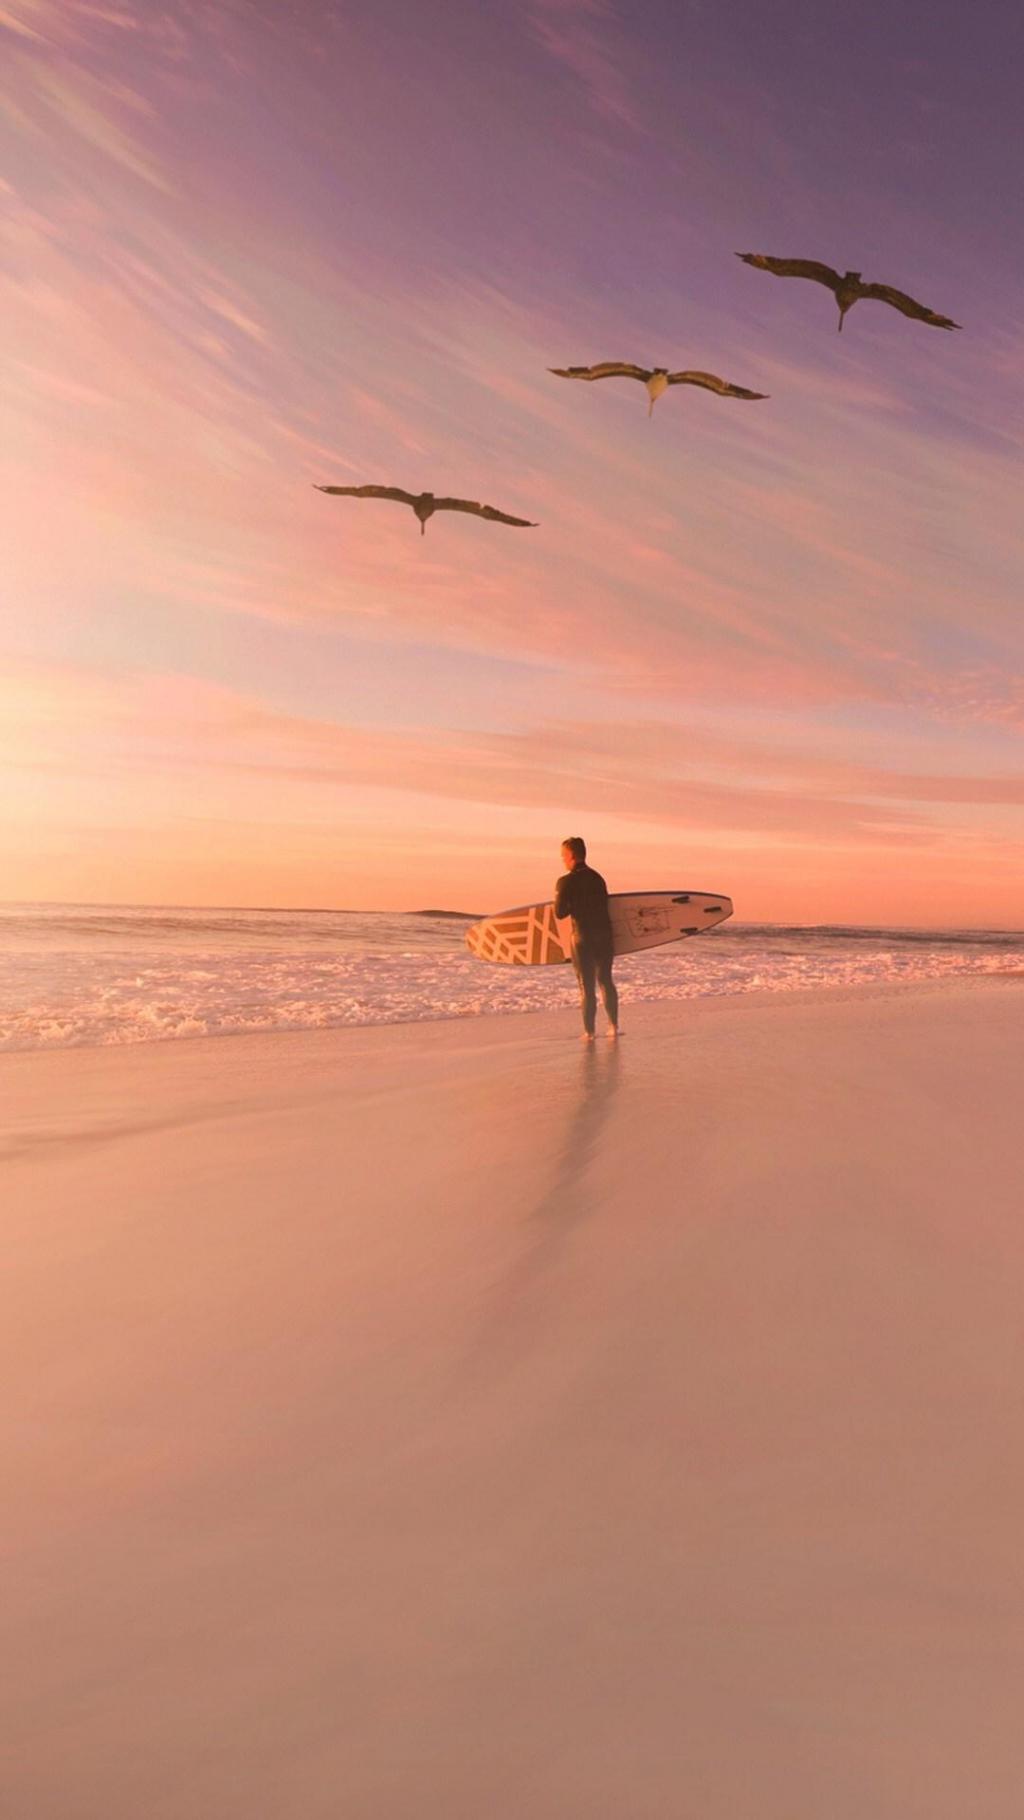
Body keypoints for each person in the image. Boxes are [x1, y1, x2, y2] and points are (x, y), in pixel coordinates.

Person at [554, 836, 619, 1041]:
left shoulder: (565, 881)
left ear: (572, 855)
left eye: (563, 856)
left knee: (586, 985)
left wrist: (571, 901)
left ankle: (589, 1033)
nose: (562, 860)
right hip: (605, 935)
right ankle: (614, 1027)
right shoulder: (598, 878)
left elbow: (559, 912)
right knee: (606, 980)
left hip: (583, 936)